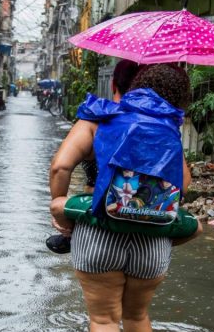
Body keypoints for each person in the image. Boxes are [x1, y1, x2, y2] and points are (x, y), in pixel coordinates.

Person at [49, 63, 201, 332]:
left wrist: (63, 213)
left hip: (99, 237)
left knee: (104, 320)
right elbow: (183, 186)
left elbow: (60, 167)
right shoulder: (169, 127)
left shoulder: (98, 117)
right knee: (136, 316)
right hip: (152, 243)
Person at [45, 59, 144, 254]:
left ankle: (67, 236)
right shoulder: (161, 125)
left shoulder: (94, 122)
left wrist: (63, 219)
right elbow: (183, 182)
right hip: (150, 232)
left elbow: (60, 168)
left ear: (113, 84)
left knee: (59, 206)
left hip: (96, 230)